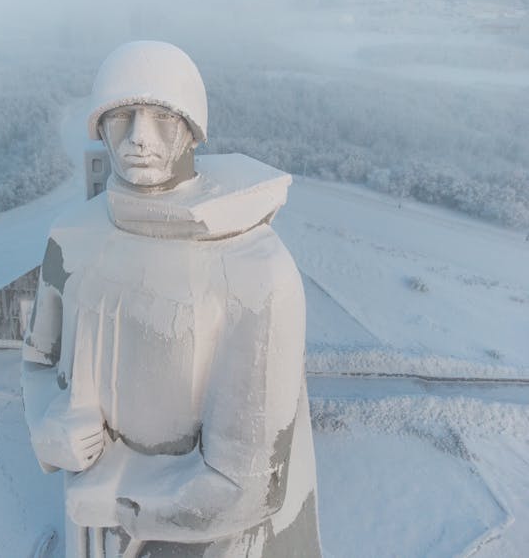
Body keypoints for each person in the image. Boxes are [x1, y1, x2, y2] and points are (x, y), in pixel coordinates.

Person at [21, 40, 321, 558]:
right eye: (122, 117)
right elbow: (37, 361)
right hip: (89, 534)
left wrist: (116, 502)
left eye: (163, 118)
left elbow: (248, 483)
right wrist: (48, 429)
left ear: (193, 129)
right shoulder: (70, 239)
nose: (140, 138)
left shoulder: (254, 272)